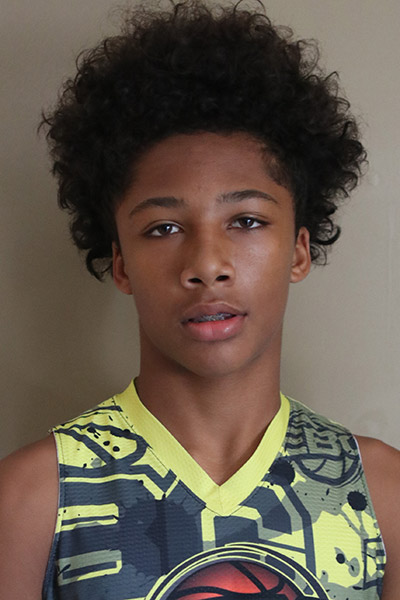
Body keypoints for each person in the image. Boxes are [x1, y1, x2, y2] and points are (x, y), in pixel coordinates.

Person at [0, 1, 399, 598]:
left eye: (246, 220)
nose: (207, 265)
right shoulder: (32, 499)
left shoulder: (382, 493)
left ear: (299, 250)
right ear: (121, 264)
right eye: (163, 228)